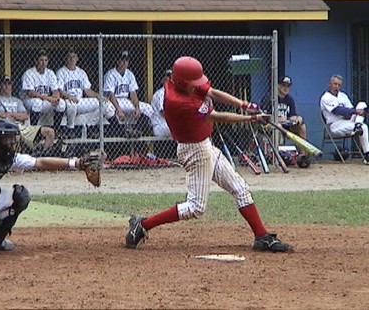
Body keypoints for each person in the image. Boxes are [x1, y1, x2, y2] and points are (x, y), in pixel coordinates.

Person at [125, 56, 291, 252]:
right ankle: (142, 225)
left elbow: (211, 92)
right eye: (193, 84)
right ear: (181, 82)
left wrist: (244, 104)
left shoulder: (182, 82)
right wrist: (251, 118)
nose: (197, 86)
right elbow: (216, 117)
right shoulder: (179, 101)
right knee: (195, 207)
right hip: (194, 150)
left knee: (240, 189)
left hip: (205, 145)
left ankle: (261, 236)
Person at [0, 117, 102, 258]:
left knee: (20, 195)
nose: (12, 143)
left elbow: (39, 162)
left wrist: (77, 163)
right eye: (8, 139)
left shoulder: (5, 156)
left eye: (12, 139)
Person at [56, 50, 114, 137]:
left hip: (80, 101)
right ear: (66, 59)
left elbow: (87, 90)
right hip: (67, 101)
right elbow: (59, 90)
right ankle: (70, 129)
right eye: (69, 57)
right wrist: (69, 96)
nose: (72, 59)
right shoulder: (61, 72)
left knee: (105, 104)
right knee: (71, 105)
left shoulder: (81, 72)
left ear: (77, 59)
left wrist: (98, 96)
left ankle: (90, 125)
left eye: (74, 57)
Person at [0, 75, 55, 154]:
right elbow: (2, 115)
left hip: (24, 128)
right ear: (0, 86)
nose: (7, 86)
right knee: (16, 136)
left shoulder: (17, 100)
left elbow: (25, 116)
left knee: (50, 132)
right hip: (10, 129)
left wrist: (10, 114)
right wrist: (17, 116)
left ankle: (42, 155)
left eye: (9, 83)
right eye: (4, 84)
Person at [103, 50, 155, 137]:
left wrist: (137, 108)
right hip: (113, 101)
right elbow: (111, 95)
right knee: (108, 108)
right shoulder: (110, 74)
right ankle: (123, 132)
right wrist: (118, 110)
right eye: (122, 60)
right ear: (117, 61)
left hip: (125, 101)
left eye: (126, 60)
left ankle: (135, 130)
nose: (124, 62)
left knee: (148, 108)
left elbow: (133, 94)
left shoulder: (130, 74)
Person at [320, 74, 369, 164]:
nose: (337, 87)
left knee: (362, 104)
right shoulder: (325, 97)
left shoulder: (343, 95)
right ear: (330, 84)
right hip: (335, 125)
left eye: (339, 85)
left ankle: (357, 126)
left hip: (347, 121)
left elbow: (350, 110)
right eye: (335, 84)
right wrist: (353, 112)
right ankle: (367, 155)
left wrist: (353, 113)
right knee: (364, 127)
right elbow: (337, 110)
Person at [22, 50, 66, 135]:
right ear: (36, 61)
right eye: (41, 60)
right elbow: (30, 93)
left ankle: (56, 130)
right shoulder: (29, 73)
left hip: (45, 101)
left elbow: (55, 90)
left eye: (46, 60)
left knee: (61, 103)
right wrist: (49, 98)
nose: (43, 63)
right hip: (29, 101)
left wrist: (56, 98)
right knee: (37, 102)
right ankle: (34, 131)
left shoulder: (50, 73)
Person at [151, 69, 172, 138]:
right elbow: (163, 113)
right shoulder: (161, 93)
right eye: (168, 77)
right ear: (163, 80)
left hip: (167, 125)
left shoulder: (172, 94)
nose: (169, 79)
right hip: (160, 126)